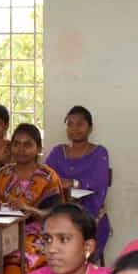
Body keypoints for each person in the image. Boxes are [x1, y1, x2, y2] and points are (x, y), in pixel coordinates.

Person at [0, 122, 66, 274]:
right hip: (3, 232)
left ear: (38, 148)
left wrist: (30, 209)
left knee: (14, 262)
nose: (21, 149)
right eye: (16, 144)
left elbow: (56, 216)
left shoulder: (48, 177)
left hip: (37, 233)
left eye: (27, 144)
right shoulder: (2, 174)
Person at [44, 105, 112, 252]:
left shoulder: (99, 153)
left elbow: (99, 184)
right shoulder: (57, 152)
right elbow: (45, 177)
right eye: (70, 124)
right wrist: (58, 183)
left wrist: (73, 182)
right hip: (58, 211)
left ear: (90, 128)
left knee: (74, 242)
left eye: (80, 124)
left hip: (88, 214)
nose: (74, 128)